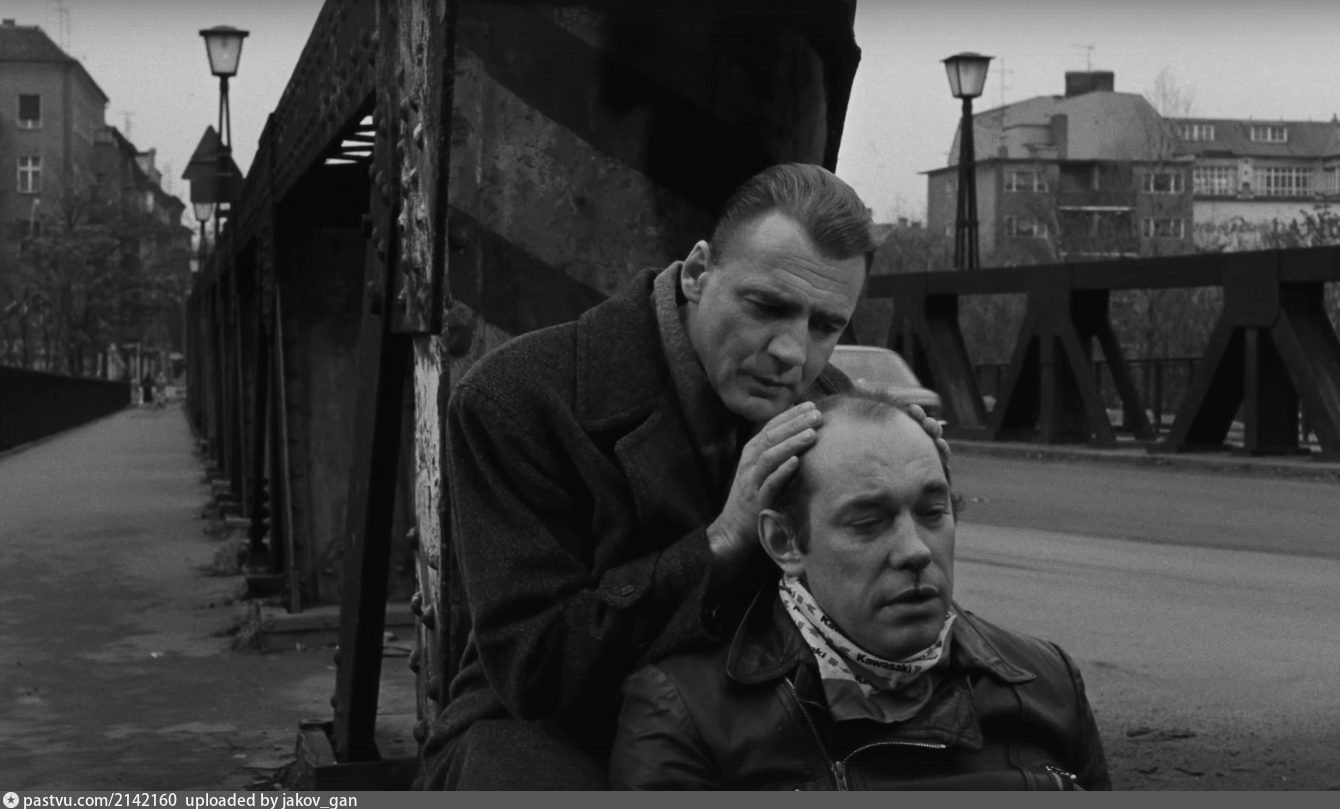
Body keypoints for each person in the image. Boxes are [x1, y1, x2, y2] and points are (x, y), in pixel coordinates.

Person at [418, 163, 949, 790]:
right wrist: (721, 542)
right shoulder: (518, 398)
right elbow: (535, 671)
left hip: (750, 724)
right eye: (767, 307)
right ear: (697, 273)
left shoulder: (829, 404)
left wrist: (911, 497)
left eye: (825, 326)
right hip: (552, 740)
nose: (792, 352)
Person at [609, 390, 1111, 790]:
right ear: (785, 542)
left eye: (933, 512)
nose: (915, 550)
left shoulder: (1048, 685)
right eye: (868, 522)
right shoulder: (687, 716)